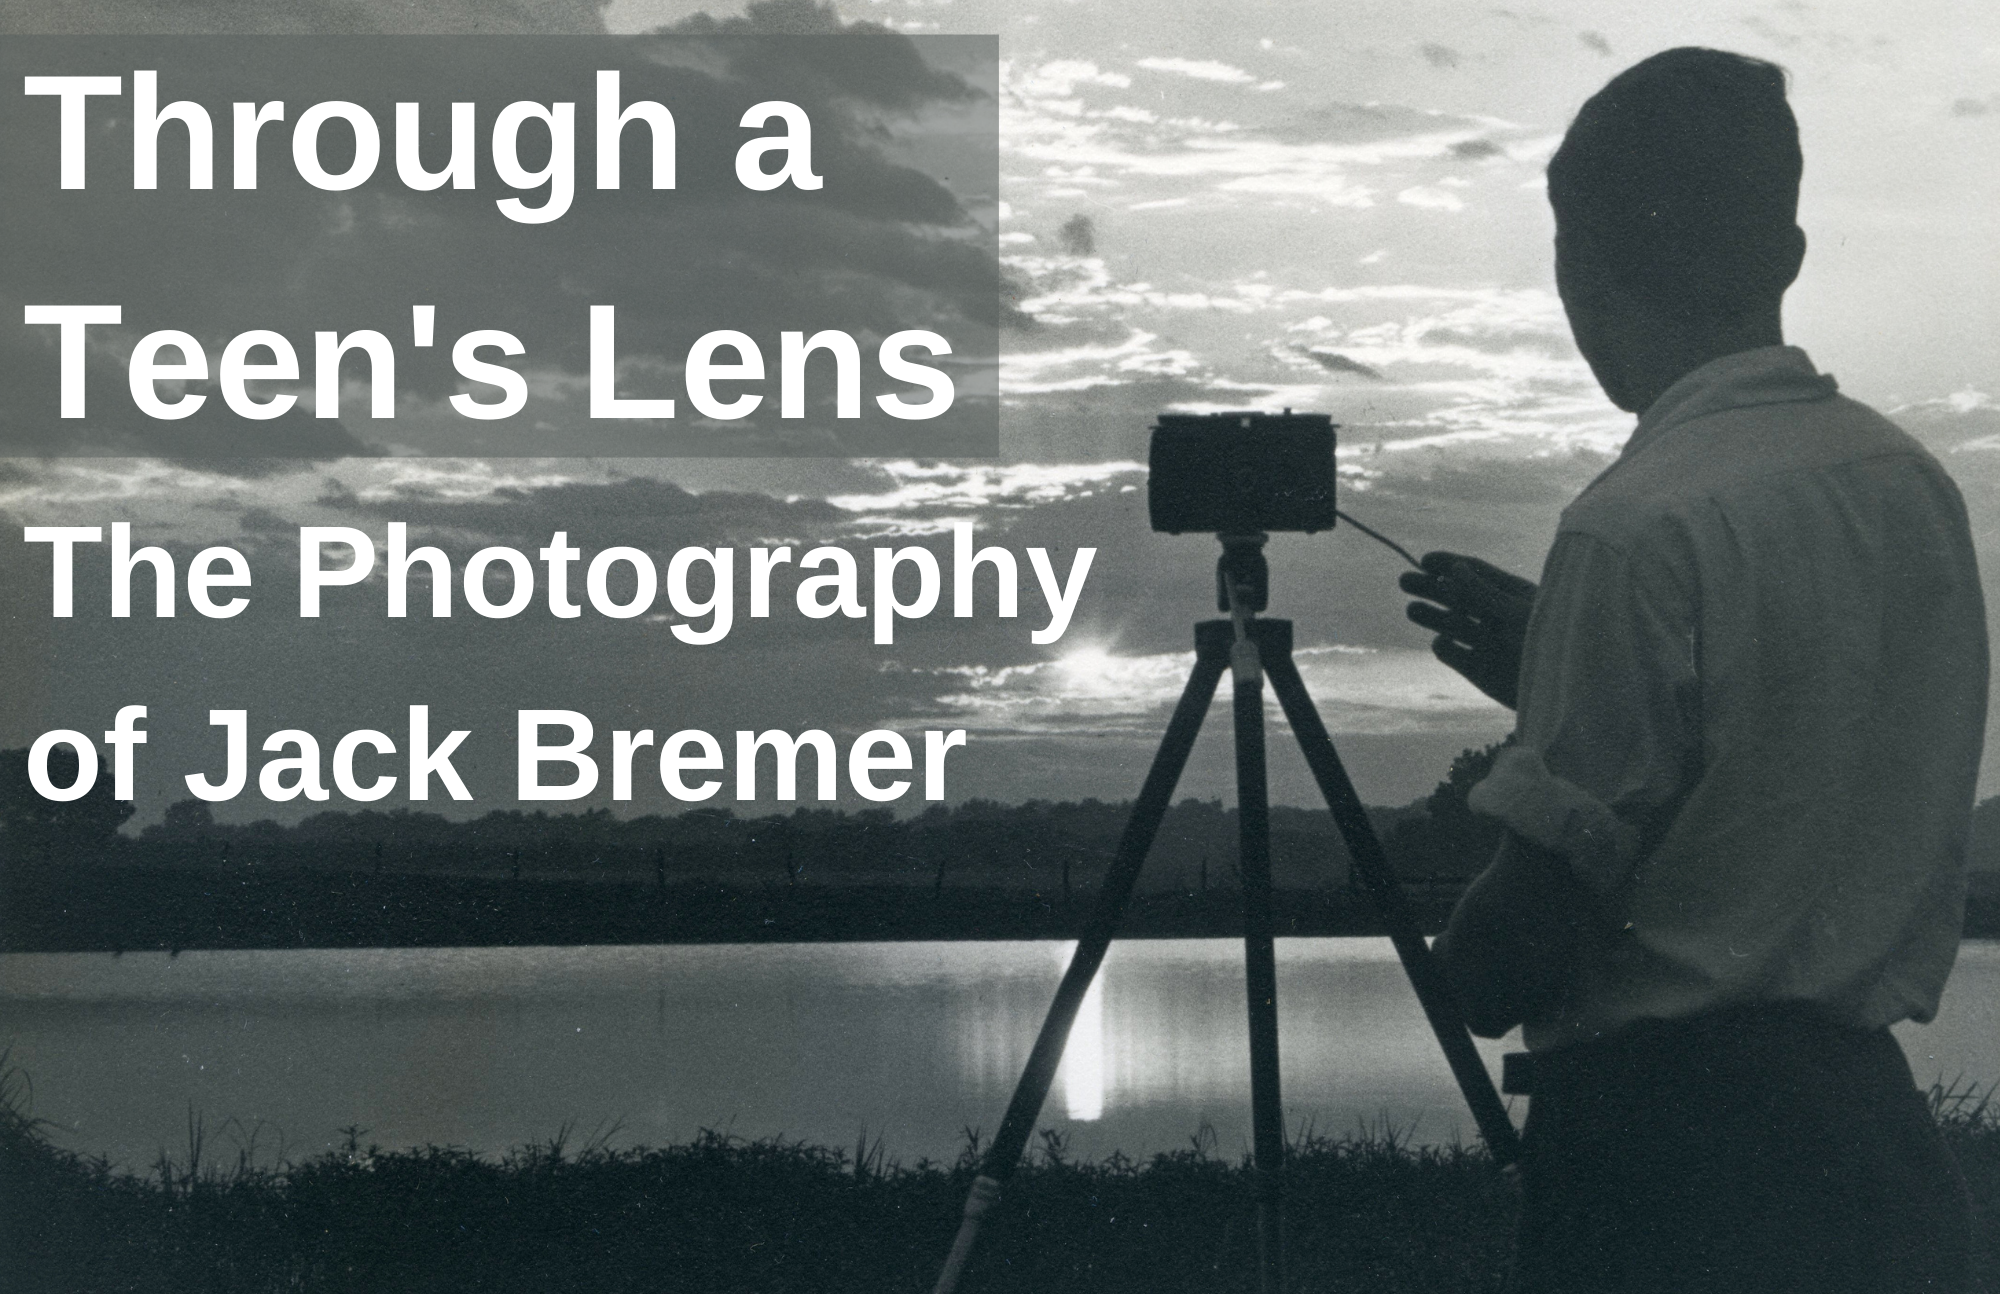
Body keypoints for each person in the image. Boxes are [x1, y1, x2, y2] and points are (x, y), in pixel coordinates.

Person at [1401, 47, 1988, 1294]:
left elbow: (1507, 957)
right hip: (1876, 1160)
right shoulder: (1909, 489)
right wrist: (1555, 684)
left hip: (1669, 1169)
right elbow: (1779, 755)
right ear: (1784, 252)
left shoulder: (1629, 531)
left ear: (1578, 267)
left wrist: (1474, 907)